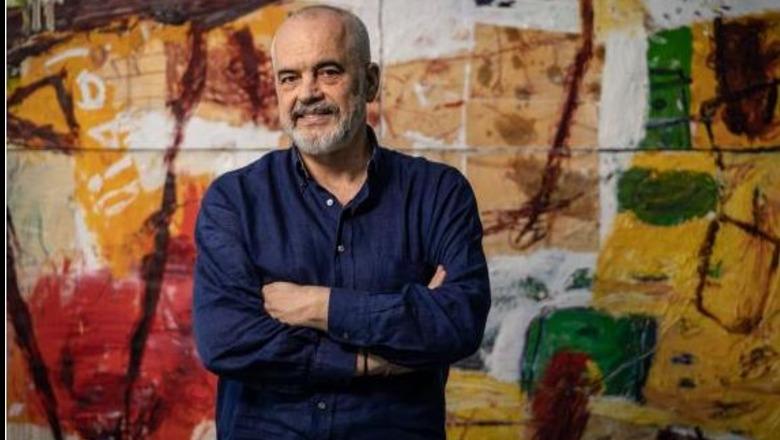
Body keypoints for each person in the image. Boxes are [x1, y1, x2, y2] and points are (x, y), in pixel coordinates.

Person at [192, 5, 491, 439]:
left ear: (370, 82)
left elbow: (458, 321)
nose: (307, 93)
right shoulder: (235, 201)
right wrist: (368, 361)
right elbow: (226, 339)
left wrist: (319, 306)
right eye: (289, 78)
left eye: (328, 72)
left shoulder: (438, 193)